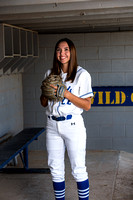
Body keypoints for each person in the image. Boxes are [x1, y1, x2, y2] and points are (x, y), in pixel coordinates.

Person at [40, 38, 93, 200]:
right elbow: (43, 103)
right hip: (52, 124)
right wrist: (46, 91)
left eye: (66, 49)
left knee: (78, 169)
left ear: (72, 52)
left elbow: (87, 105)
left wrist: (67, 94)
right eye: (58, 50)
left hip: (72, 124)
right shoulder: (49, 74)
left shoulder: (82, 75)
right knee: (55, 169)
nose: (62, 53)